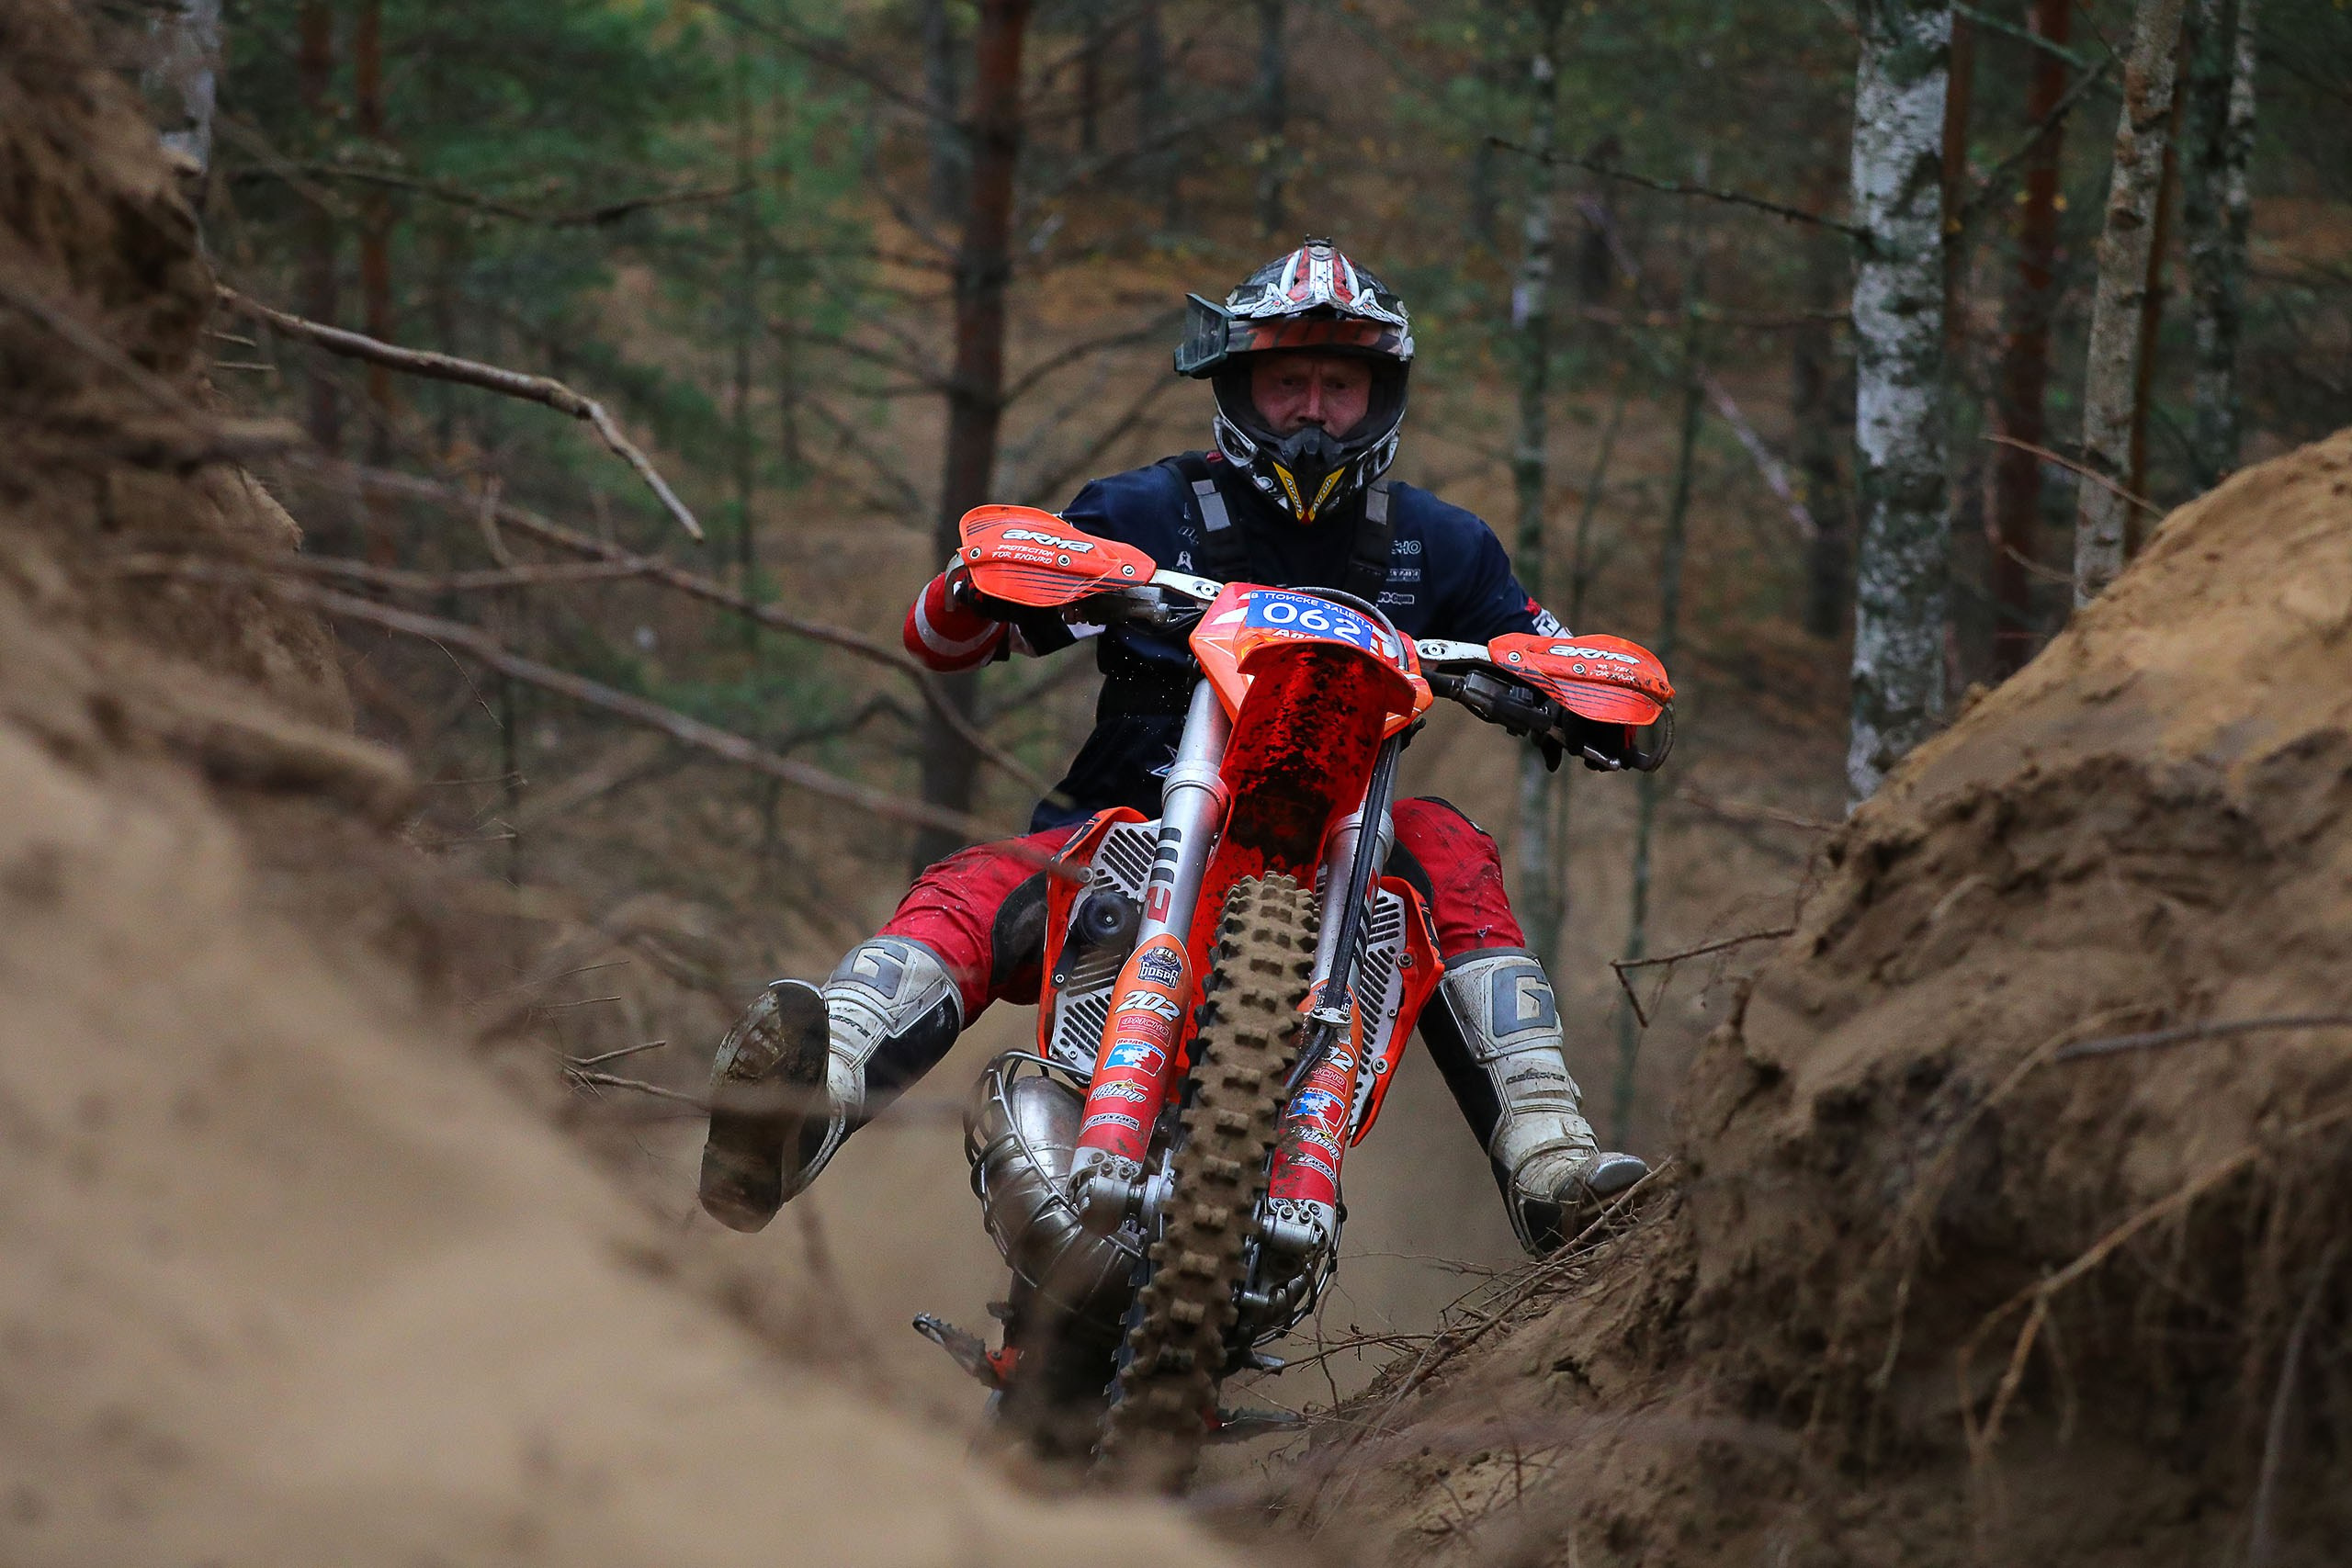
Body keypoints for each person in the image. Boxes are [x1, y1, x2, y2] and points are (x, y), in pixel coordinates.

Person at [699, 239, 1647, 1258]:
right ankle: (809, 1095)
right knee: (984, 883)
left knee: (1447, 844)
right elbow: (945, 639)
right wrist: (980, 581)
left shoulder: (1442, 544)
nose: (1314, 412)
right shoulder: (1145, 510)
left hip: (1340, 865)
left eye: (1339, 386)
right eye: (1288, 384)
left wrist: (1594, 696)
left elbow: (1555, 657)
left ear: (1382, 397)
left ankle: (1550, 1158)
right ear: (1238, 388)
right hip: (1126, 833)